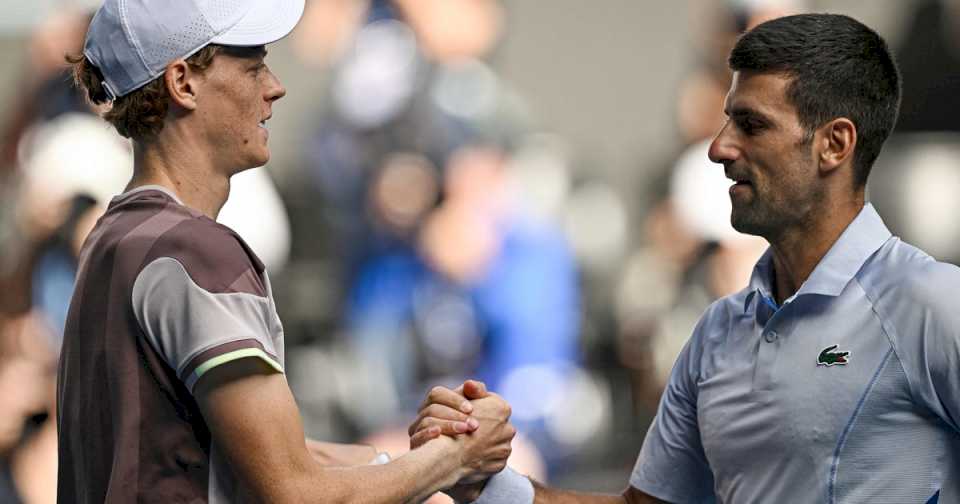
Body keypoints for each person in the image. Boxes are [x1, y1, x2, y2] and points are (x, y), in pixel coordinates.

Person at [411, 13, 960, 503]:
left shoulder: (930, 306)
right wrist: (486, 485)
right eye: (727, 120)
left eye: (752, 124)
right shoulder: (717, 333)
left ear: (834, 145)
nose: (719, 147)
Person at [57, 0, 514, 502]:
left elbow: (256, 450)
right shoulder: (197, 253)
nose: (275, 87)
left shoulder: (113, 236)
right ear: (182, 83)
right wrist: (455, 460)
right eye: (253, 66)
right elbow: (296, 493)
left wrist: (410, 458)